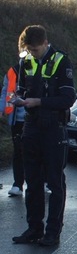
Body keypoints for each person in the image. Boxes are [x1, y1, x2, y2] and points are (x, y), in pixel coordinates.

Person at [11, 25, 76, 247]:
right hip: (31, 126)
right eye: (29, 49)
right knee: (33, 181)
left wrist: (39, 102)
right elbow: (21, 88)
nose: (33, 53)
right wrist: (17, 97)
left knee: (55, 182)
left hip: (53, 128)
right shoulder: (25, 61)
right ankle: (34, 228)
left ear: (46, 44)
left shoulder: (61, 61)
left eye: (36, 50)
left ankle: (53, 232)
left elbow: (68, 99)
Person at [2, 61, 25, 197]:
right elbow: (6, 92)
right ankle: (17, 184)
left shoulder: (41, 67)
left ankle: (44, 181)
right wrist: (2, 108)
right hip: (16, 119)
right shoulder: (13, 72)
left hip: (34, 119)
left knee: (37, 151)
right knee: (18, 152)